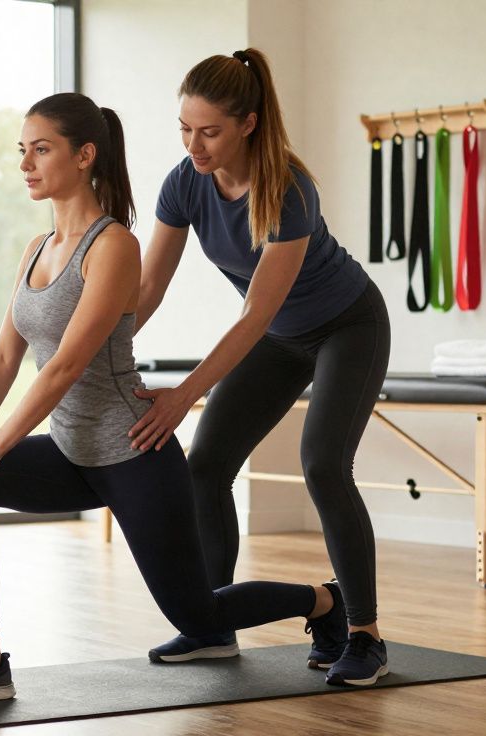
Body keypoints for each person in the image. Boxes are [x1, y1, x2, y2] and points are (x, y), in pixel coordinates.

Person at [0, 92, 348, 708]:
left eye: (42, 149)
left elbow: (64, 367)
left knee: (197, 611)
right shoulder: (36, 249)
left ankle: (325, 601)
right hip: (70, 451)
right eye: (21, 151)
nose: (26, 164)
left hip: (132, 452)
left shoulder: (113, 246)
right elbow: (5, 357)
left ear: (85, 155)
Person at [129, 48, 392, 687]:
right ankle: (211, 623)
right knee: (206, 467)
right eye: (185, 129)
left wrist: (183, 396)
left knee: (324, 466)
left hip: (346, 326)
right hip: (280, 336)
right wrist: (97, 354)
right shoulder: (184, 182)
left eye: (210, 131)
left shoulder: (289, 189)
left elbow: (252, 314)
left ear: (247, 123)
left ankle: (362, 632)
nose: (195, 144)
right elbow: (150, 287)